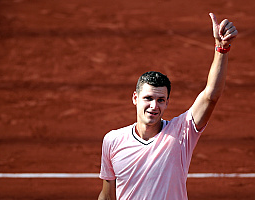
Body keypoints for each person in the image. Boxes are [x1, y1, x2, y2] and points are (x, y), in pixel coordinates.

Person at [98, 13, 238, 200]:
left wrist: (222, 49)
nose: (154, 106)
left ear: (167, 102)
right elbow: (107, 196)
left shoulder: (181, 133)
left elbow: (211, 96)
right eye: (148, 98)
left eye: (161, 100)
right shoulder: (113, 141)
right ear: (135, 98)